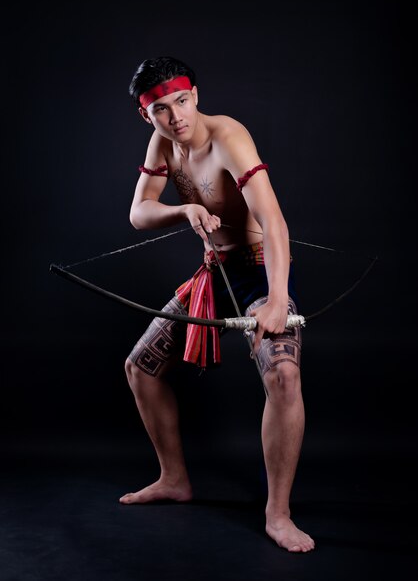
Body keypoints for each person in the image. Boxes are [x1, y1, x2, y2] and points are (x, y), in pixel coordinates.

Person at [119, 56, 315, 553]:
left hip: (256, 272)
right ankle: (174, 479)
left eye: (181, 101)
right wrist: (183, 208)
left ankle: (278, 514)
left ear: (196, 94)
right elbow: (139, 212)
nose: (175, 116)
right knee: (140, 368)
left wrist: (274, 299)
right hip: (214, 274)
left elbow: (273, 222)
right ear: (148, 116)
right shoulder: (163, 139)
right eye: (161, 109)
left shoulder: (228, 135)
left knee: (284, 375)